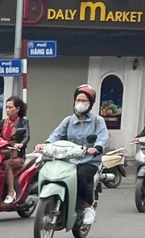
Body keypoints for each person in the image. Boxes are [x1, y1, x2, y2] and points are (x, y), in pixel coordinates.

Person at [46, 84, 107, 226]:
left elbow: (103, 138)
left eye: (84, 101)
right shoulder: (68, 121)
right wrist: (46, 144)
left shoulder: (98, 121)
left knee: (81, 175)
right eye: (78, 100)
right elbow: (56, 135)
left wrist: (97, 147)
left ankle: (86, 206)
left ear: (90, 103)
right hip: (69, 160)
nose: (80, 103)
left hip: (89, 161)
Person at [0, 95, 30, 203]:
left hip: (17, 156)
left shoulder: (23, 122)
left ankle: (11, 192)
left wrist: (20, 144)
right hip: (2, 153)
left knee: (7, 164)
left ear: (17, 109)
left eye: (10, 107)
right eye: (6, 107)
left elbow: (27, 136)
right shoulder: (3, 122)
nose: (8, 110)